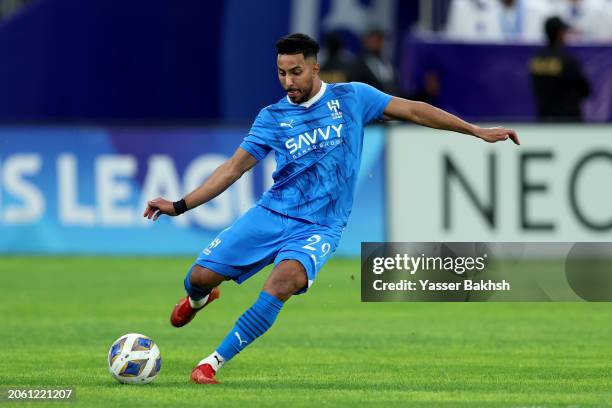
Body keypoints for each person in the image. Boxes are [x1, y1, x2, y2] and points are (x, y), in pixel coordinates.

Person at [143, 33, 520, 385]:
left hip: (320, 226)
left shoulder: (352, 98)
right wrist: (179, 205)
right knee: (199, 277)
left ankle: (212, 363)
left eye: (295, 72)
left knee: (281, 284)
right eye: (281, 73)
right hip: (272, 213)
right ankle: (199, 298)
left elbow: (416, 111)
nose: (288, 81)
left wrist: (475, 131)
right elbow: (232, 169)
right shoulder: (273, 118)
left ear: (314, 68)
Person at [529, 16, 591, 122]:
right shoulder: (567, 60)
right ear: (560, 33)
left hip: (545, 119)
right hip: (569, 119)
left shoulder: (536, 60)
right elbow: (585, 90)